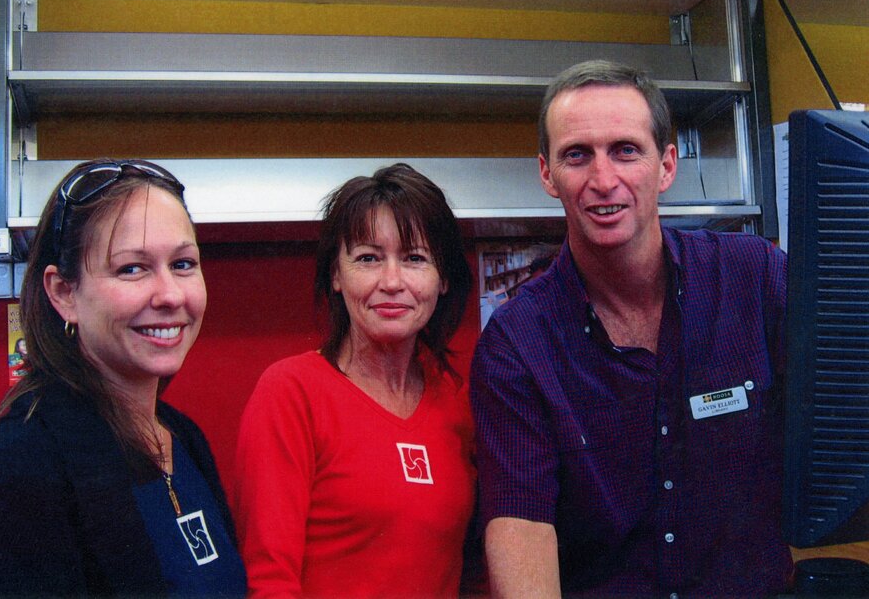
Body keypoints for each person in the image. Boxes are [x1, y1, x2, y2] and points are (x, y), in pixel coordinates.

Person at [471, 60, 792, 598]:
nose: (603, 180)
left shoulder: (756, 278)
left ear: (666, 166)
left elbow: (843, 424)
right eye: (577, 155)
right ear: (548, 174)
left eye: (626, 150)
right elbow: (521, 527)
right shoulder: (517, 345)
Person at [0, 159, 247, 597]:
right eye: (131, 269)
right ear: (64, 294)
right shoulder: (17, 473)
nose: (171, 294)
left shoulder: (183, 439)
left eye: (182, 264)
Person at [233, 163, 477, 598]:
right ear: (335, 276)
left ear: (442, 281)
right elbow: (269, 581)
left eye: (415, 258)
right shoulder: (291, 393)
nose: (392, 282)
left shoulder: (458, 402)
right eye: (368, 258)